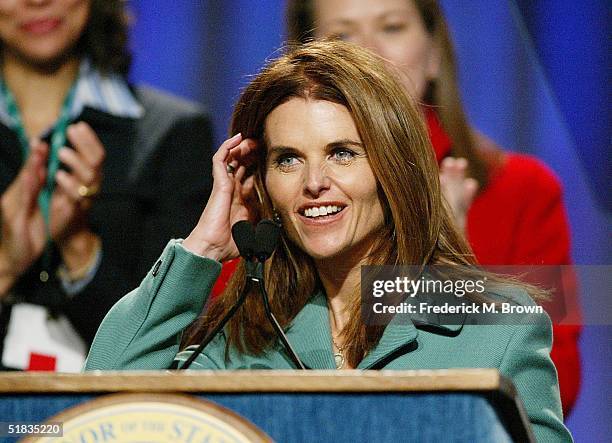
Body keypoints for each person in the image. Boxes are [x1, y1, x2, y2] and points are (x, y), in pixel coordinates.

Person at [85, 40, 571, 442]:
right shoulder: (236, 341)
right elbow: (96, 416)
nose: (313, 182)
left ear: (392, 168)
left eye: (342, 153)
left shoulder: (498, 327)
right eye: (288, 160)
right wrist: (204, 248)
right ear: (263, 181)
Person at [284, 0, 581, 414]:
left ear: (435, 54)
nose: (370, 53)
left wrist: (447, 267)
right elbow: (234, 359)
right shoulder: (286, 190)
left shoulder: (522, 190)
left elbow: (553, 381)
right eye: (343, 36)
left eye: (391, 27)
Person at [0, 0, 213, 371]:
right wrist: (5, 263)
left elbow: (178, 339)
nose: (36, 1)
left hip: (116, 415)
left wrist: (79, 245)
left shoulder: (173, 133)